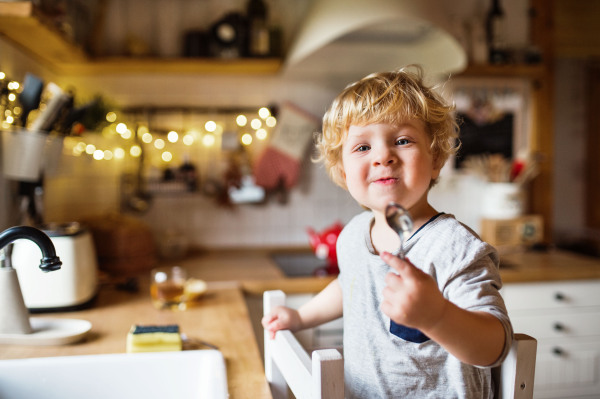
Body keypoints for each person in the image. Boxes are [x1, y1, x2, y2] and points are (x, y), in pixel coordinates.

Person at [262, 66, 513, 399]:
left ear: (435, 158)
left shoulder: (454, 246)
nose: (383, 156)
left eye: (402, 140)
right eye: (363, 148)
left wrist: (437, 316)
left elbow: (494, 345)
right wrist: (300, 316)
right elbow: (348, 286)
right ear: (342, 170)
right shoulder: (353, 234)